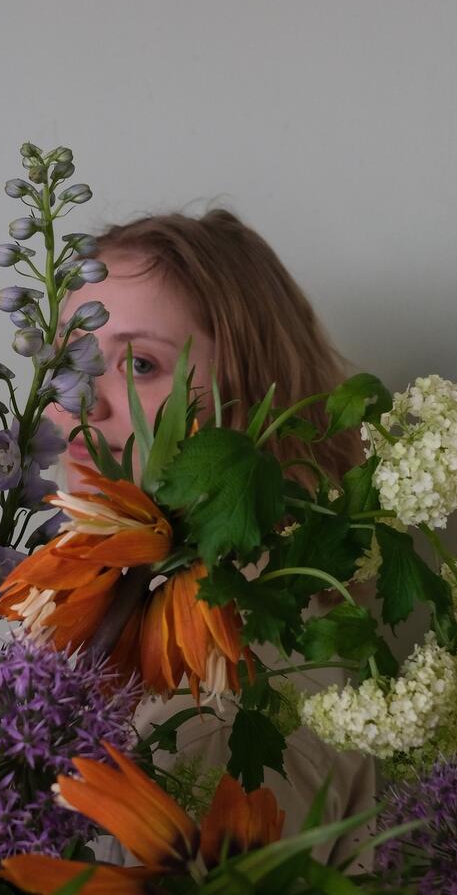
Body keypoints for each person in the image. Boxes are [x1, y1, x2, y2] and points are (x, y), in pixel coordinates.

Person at [45, 208, 375, 868]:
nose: (83, 402)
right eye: (69, 360)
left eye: (140, 364)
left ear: (249, 394)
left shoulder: (235, 698)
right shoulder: (111, 595)